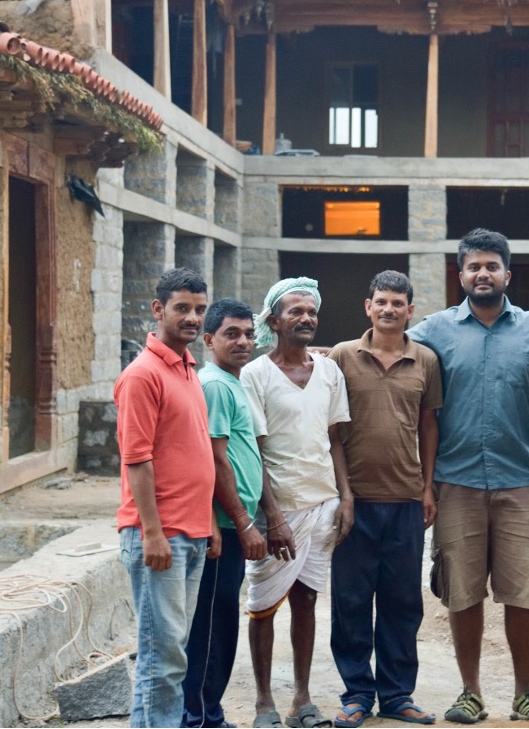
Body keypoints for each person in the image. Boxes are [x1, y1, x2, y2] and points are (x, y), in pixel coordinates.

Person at [409, 228, 529, 725]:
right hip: (455, 484)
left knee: (525, 591)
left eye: (491, 266)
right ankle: (470, 693)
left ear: (507, 274)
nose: (483, 273)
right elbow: (384, 351)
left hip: (520, 481)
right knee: (462, 591)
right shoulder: (433, 330)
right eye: (473, 266)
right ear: (460, 275)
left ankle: (525, 693)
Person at [327, 270, 443, 728]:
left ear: (411, 310)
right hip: (355, 502)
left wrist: (428, 486)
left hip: (406, 501)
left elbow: (429, 426)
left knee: (402, 603)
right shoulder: (341, 356)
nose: (389, 309)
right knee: (351, 600)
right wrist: (344, 493)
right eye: (382, 301)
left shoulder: (426, 361)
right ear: (368, 307)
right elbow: (332, 431)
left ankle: (397, 695)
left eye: (398, 302)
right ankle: (356, 693)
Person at [241, 277, 354, 729]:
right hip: (278, 510)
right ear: (274, 321)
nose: (306, 318)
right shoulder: (256, 375)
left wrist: (346, 497)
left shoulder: (328, 371)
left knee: (306, 601)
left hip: (322, 505)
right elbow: (254, 450)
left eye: (311, 312)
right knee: (263, 605)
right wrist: (271, 517)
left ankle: (302, 701)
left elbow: (335, 440)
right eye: (295, 312)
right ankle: (264, 703)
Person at [114, 267, 213, 728]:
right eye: (182, 309)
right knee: (162, 657)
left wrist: (207, 523)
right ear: (158, 310)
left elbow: (192, 454)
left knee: (173, 653)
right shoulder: (143, 375)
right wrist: (151, 533)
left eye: (199, 309)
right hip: (160, 538)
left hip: (189, 533)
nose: (192, 318)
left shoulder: (189, 368)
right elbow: (137, 459)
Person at [182, 299, 270, 728]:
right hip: (223, 526)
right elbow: (216, 460)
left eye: (249, 334)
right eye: (232, 334)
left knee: (221, 623)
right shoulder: (215, 384)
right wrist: (242, 522)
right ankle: (199, 717)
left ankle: (207, 713)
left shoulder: (232, 382)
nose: (243, 342)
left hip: (231, 524)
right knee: (213, 629)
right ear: (209, 339)